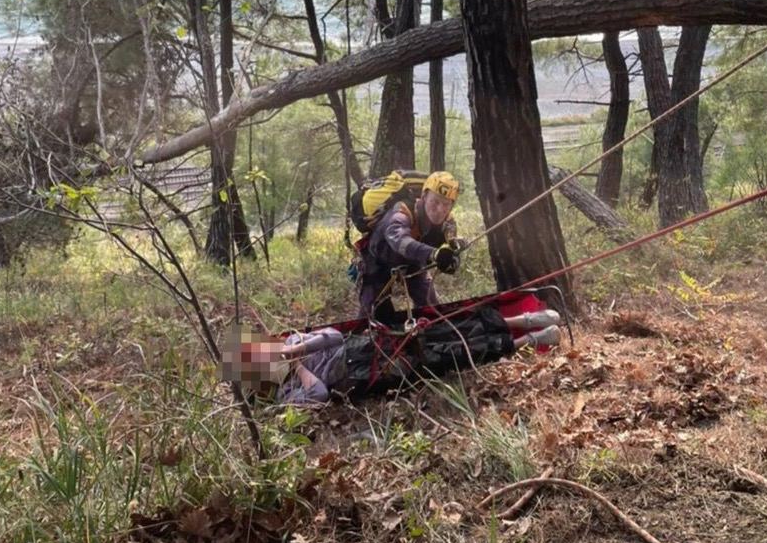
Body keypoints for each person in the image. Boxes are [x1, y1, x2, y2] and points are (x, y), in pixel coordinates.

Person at [221, 310, 563, 406]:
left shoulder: (293, 341)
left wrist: (297, 350)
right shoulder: (284, 396)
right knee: (451, 355)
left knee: (444, 328)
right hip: (374, 372)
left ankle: (521, 321)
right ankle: (530, 341)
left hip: (368, 344)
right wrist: (298, 368)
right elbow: (320, 395)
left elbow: (335, 336)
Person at [358, 171, 463, 321]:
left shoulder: (448, 224)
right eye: (435, 201)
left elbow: (452, 247)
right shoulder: (402, 211)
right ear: (424, 197)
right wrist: (433, 254)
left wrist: (452, 258)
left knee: (432, 310)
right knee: (372, 318)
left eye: (446, 204)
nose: (440, 209)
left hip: (413, 263)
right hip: (377, 263)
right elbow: (399, 240)